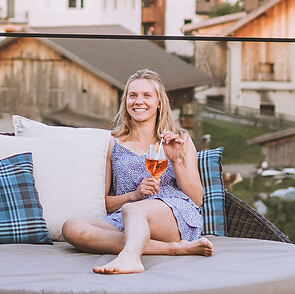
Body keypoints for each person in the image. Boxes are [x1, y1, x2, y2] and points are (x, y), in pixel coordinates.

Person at [62, 70, 214, 273]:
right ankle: (174, 249)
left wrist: (175, 159)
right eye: (132, 95)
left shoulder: (180, 138)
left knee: (134, 210)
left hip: (173, 216)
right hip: (126, 217)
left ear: (159, 102)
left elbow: (196, 199)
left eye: (147, 95)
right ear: (126, 101)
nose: (138, 101)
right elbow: (104, 203)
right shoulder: (113, 143)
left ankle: (130, 257)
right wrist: (134, 195)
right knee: (72, 228)